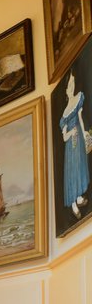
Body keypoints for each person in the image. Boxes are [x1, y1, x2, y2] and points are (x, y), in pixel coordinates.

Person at [61, 72, 90, 219]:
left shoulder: (79, 98)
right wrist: (71, 132)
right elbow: (64, 137)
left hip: (79, 142)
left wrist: (84, 132)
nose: (72, 86)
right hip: (70, 146)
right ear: (66, 90)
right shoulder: (65, 113)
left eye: (73, 83)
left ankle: (78, 197)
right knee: (72, 170)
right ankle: (73, 203)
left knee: (79, 167)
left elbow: (80, 118)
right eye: (69, 85)